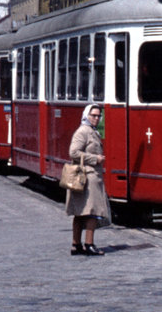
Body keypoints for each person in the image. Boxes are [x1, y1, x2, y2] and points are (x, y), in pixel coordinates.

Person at [67, 104, 110, 256]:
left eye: (99, 116)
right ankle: (89, 244)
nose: (97, 118)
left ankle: (76, 245)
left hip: (89, 177)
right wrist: (95, 158)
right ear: (86, 115)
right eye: (94, 115)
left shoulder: (92, 131)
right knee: (92, 212)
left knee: (80, 212)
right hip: (87, 177)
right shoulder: (83, 132)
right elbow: (73, 152)